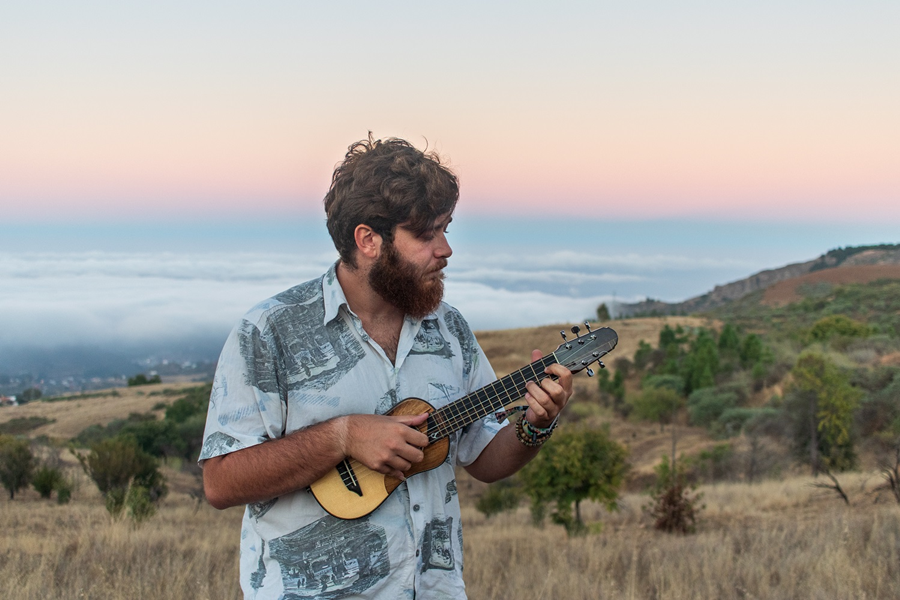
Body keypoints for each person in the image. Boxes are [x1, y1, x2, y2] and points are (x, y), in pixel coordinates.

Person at [199, 135, 573, 599]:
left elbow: (483, 457)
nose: (445, 250)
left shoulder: (449, 329)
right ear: (368, 240)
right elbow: (220, 481)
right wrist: (342, 436)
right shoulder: (270, 332)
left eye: (446, 230)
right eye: (425, 234)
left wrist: (535, 425)